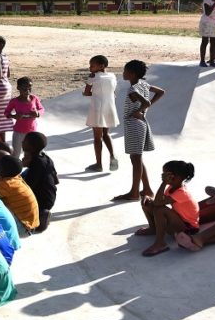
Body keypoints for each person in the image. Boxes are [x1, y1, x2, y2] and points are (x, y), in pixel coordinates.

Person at [114, 60, 166, 203]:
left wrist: (139, 110)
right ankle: (147, 189)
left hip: (134, 124)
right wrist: (143, 110)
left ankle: (134, 192)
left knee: (135, 159)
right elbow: (161, 92)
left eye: (125, 71)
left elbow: (146, 102)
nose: (123, 73)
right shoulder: (144, 84)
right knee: (136, 158)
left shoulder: (132, 89)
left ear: (131, 74)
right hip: (141, 123)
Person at [138, 161, 199, 257]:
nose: (163, 176)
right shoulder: (171, 188)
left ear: (177, 177)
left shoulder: (182, 192)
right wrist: (149, 199)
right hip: (178, 221)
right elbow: (158, 201)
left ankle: (160, 243)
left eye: (166, 174)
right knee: (148, 202)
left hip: (188, 228)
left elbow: (158, 203)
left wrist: (163, 183)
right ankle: (153, 228)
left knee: (160, 210)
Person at [83, 55, 119, 172]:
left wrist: (89, 92)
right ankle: (113, 155)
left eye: (92, 65)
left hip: (97, 109)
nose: (90, 68)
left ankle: (99, 164)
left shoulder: (93, 78)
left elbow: (87, 93)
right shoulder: (112, 76)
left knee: (97, 138)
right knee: (106, 134)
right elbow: (113, 93)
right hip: (109, 108)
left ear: (101, 66)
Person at [0, 154, 39, 234]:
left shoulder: (6, 184)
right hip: (31, 225)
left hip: (23, 228)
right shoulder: (16, 178)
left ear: (2, 170)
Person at [21, 132, 58, 233]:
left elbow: (28, 186)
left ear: (32, 148)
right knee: (24, 174)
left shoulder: (36, 163)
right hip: (50, 195)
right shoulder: (46, 158)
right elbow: (56, 180)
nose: (22, 142)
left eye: (24, 141)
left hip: (43, 201)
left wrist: (20, 166)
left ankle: (41, 216)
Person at [4, 76, 43, 158]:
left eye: (30, 88)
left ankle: (31, 169)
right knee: (16, 153)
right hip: (19, 132)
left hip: (32, 132)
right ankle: (15, 169)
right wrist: (14, 116)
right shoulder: (14, 101)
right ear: (18, 88)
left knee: (32, 153)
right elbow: (6, 113)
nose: (28, 91)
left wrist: (38, 113)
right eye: (24, 88)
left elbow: (41, 109)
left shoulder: (34, 98)